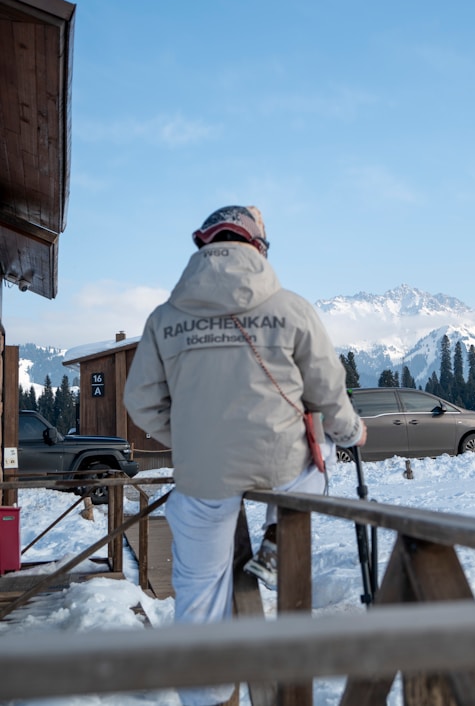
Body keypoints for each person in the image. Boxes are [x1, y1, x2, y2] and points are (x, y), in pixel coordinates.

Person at [124, 205, 366, 706]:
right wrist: (352, 432)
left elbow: (140, 402)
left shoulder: (164, 319)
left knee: (198, 594)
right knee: (317, 457)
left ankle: (210, 697)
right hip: (282, 463)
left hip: (204, 477)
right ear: (258, 247)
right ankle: (278, 537)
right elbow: (328, 395)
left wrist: (190, 439)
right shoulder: (292, 309)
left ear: (203, 246)